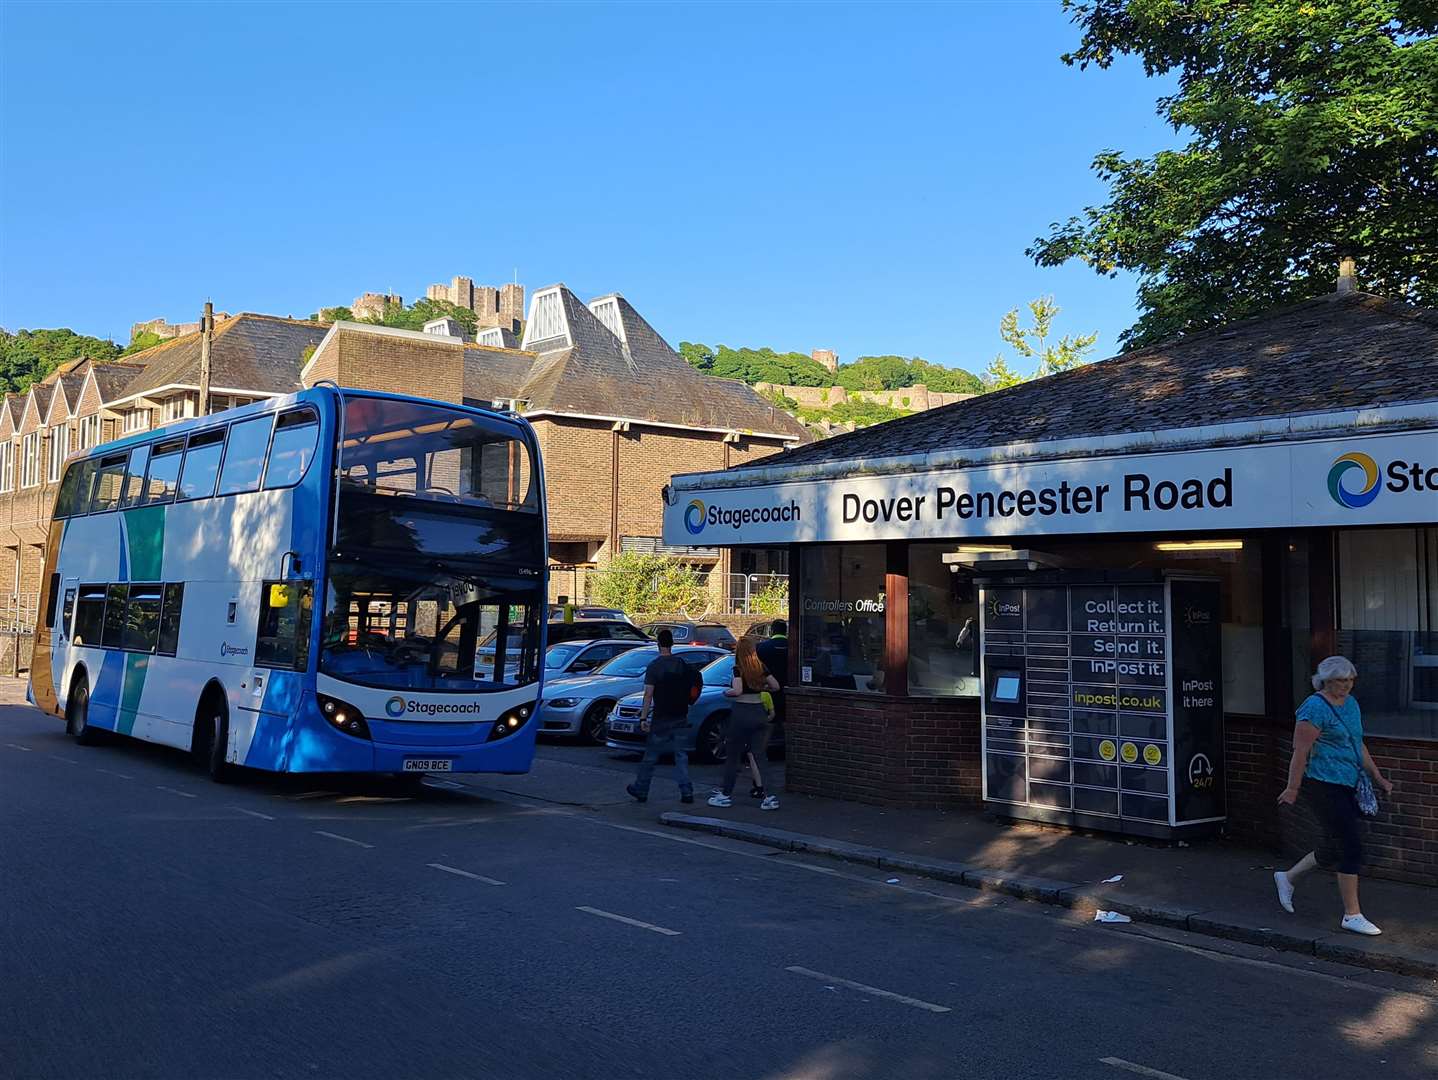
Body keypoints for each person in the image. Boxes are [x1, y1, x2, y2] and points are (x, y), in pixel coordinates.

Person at [1274, 655, 1395, 935]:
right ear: (1326, 680)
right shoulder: (1314, 708)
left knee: (1332, 846)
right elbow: (1300, 752)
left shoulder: (1351, 704)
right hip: (1322, 784)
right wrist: (1292, 788)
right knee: (1351, 845)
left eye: (1351, 680)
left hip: (1349, 782)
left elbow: (1358, 743)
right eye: (1341, 680)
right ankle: (1352, 915)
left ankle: (1287, 878)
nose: (1347, 685)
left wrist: (1378, 778)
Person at [626, 629, 700, 805]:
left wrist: (643, 718)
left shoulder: (654, 666)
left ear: (658, 644)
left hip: (661, 717)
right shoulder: (681, 664)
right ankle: (686, 791)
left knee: (650, 756)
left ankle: (641, 789)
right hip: (680, 714)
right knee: (681, 756)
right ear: (672, 644)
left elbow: (648, 695)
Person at [709, 637, 781, 810]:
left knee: (733, 755)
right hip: (759, 711)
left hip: (742, 711)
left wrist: (727, 692)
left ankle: (725, 794)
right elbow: (776, 686)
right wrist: (763, 689)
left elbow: (738, 690)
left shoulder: (737, 669)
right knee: (760, 755)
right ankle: (770, 796)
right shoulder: (761, 667)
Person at [750, 620, 789, 797]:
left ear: (772, 631)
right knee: (790, 736)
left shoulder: (762, 648)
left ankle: (759, 778)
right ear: (785, 631)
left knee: (763, 739)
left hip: (768, 697)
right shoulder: (794, 647)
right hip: (790, 697)